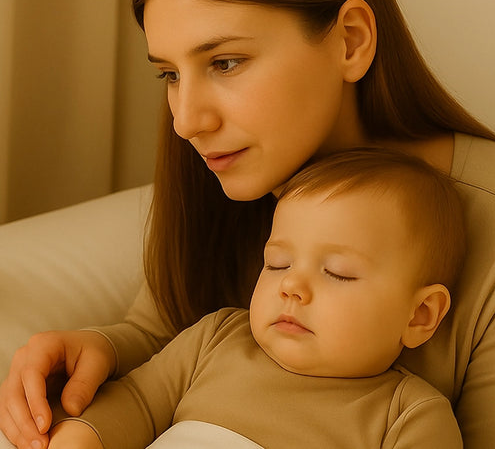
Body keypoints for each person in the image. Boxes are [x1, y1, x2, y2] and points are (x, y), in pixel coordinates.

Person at [0, 0, 495, 448]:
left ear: (350, 40)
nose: (186, 121)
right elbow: (167, 333)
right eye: (170, 74)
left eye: (225, 62)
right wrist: (101, 349)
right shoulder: (240, 167)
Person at [47, 149, 465, 449]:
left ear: (419, 315)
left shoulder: (407, 416)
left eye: (337, 272)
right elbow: (136, 402)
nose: (291, 286)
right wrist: (82, 437)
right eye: (278, 263)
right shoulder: (217, 339)